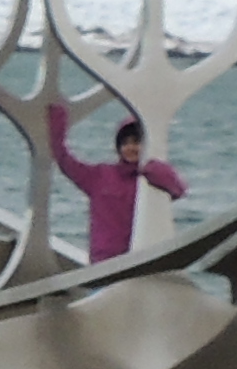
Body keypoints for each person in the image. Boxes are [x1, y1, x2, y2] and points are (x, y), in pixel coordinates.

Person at [44, 92, 183, 265]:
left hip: (142, 262)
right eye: (125, 143)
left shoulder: (153, 176)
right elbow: (65, 161)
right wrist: (57, 119)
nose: (130, 148)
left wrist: (154, 170)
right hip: (105, 263)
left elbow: (179, 189)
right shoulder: (99, 176)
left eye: (136, 141)